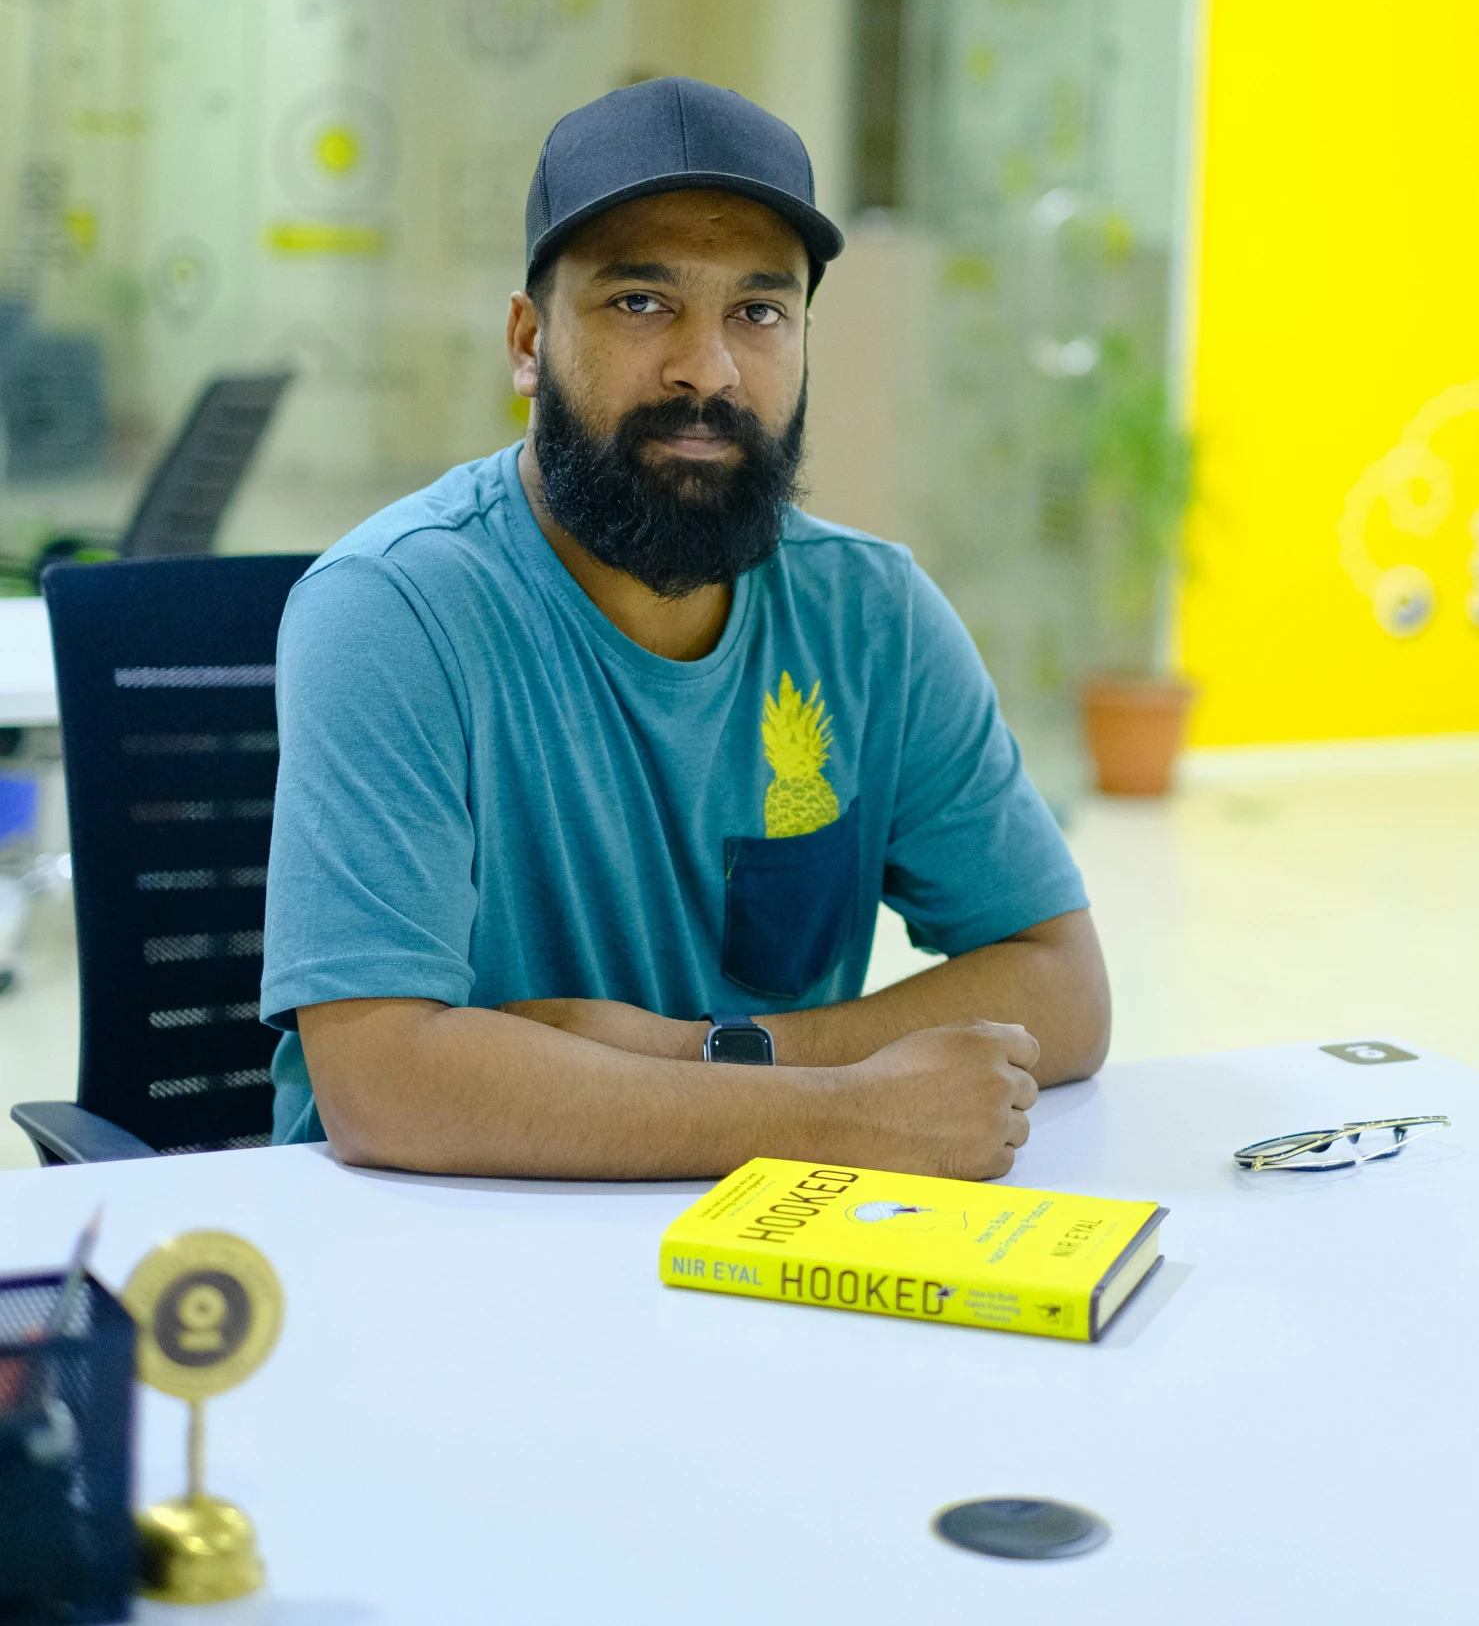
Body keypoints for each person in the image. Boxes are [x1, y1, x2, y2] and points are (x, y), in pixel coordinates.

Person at [261, 77, 1109, 1181]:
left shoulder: (874, 616)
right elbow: (384, 1083)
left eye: (758, 312)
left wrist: (717, 1053)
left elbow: (1059, 980)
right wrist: (841, 1113)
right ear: (527, 341)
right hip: (435, 1246)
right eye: (640, 303)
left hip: (760, 1253)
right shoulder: (393, 610)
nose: (705, 369)